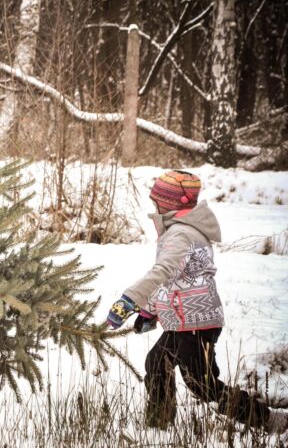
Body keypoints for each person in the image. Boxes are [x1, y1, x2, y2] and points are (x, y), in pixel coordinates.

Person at [106, 170, 287, 434]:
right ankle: (158, 425)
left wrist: (129, 300)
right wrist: (149, 311)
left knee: (203, 386)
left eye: (157, 201)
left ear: (170, 203)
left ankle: (269, 420)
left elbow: (162, 272)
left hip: (195, 323)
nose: (154, 205)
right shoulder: (181, 231)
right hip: (183, 321)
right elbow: (172, 281)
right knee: (157, 364)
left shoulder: (180, 234)